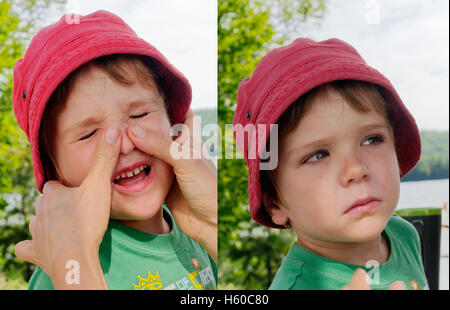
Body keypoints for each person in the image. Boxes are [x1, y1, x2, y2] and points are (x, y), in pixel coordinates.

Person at [12, 10, 217, 290]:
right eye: (88, 133)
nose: (122, 143)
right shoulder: (62, 270)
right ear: (55, 171)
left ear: (174, 121)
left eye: (140, 115)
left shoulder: (199, 232)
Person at [233, 37, 428, 290]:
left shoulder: (402, 234)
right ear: (275, 203)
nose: (356, 170)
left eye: (372, 139)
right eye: (318, 155)